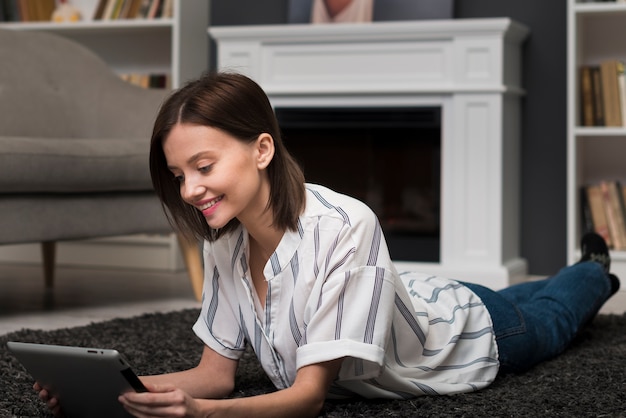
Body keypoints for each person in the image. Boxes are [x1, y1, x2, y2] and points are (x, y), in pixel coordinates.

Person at [35, 72, 620, 417]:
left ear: (262, 150)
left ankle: (595, 266)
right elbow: (214, 375)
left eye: (203, 165)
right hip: (410, 295)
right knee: (524, 294)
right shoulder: (224, 243)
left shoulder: (347, 223)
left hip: (466, 330)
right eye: (178, 174)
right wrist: (121, 391)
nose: (189, 189)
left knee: (550, 315)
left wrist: (203, 416)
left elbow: (309, 397)